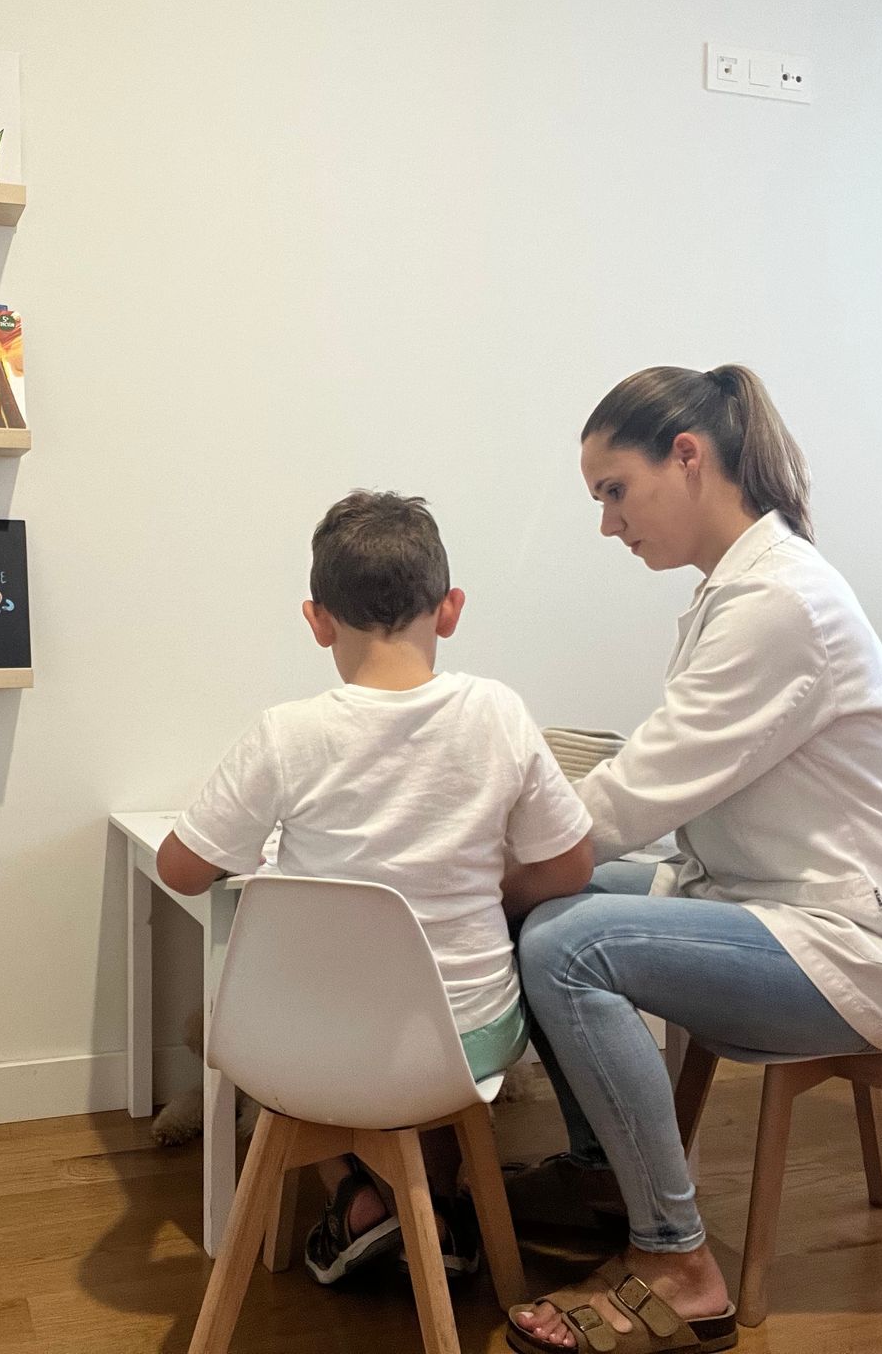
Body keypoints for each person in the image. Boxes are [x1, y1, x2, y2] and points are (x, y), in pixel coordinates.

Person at [504, 365, 882, 1354]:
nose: (608, 524)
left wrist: (490, 859)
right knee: (542, 911)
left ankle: (679, 1262)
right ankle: (605, 1177)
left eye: (614, 490)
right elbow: (654, 782)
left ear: (687, 456)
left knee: (565, 941)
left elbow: (633, 799)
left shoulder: (779, 603)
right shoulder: (743, 590)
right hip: (773, 904)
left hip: (862, 946)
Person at [157, 490, 597, 1286]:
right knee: (430, 1059)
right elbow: (571, 866)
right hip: (463, 1047)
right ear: (450, 609)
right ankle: (435, 1206)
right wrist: (483, 891)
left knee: (314, 1049)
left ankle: (361, 1199)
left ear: (318, 620)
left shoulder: (286, 734)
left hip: (305, 1046)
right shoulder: (498, 714)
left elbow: (180, 869)